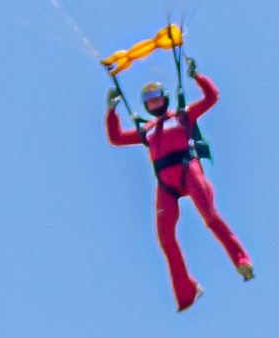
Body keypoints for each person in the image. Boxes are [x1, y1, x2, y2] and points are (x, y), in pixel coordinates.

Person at [106, 59, 253, 312]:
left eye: (156, 98)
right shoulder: (147, 131)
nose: (153, 103)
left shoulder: (183, 117)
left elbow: (212, 97)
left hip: (189, 172)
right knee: (165, 238)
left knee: (210, 216)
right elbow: (116, 138)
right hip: (166, 186)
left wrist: (197, 76)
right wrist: (111, 111)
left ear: (165, 98)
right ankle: (187, 291)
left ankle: (241, 260)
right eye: (149, 101)